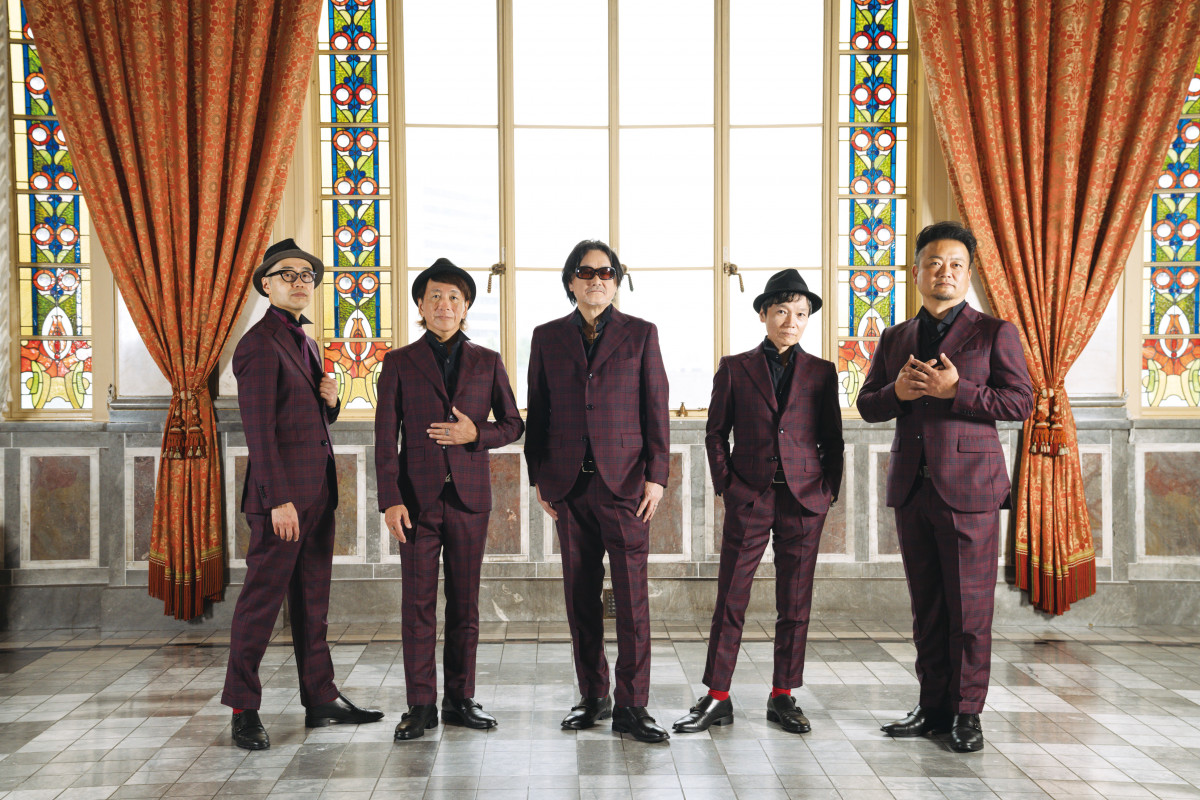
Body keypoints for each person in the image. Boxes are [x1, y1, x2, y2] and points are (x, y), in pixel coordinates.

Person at [857, 221, 1033, 752]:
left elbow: (1020, 402)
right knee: (928, 607)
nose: (945, 272)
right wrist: (897, 392)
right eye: (934, 263)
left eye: (956, 264)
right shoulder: (895, 338)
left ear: (969, 274)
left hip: (971, 490)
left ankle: (967, 713)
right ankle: (932, 706)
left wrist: (960, 390)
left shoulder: (995, 332)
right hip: (913, 488)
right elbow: (868, 405)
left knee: (971, 611)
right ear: (915, 272)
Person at [222, 238, 383, 751]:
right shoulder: (257, 345)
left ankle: (321, 699)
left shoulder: (307, 344)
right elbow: (259, 431)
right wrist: (277, 499)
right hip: (282, 501)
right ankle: (243, 709)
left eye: (307, 276)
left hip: (317, 495)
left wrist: (330, 404)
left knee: (313, 604)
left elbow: (304, 421)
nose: (299, 282)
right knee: (260, 606)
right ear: (266, 285)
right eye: (287, 275)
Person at [673, 269, 843, 735]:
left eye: (801, 314)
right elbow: (715, 433)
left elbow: (832, 439)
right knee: (731, 598)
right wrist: (728, 486)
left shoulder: (822, 372)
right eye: (782, 311)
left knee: (795, 603)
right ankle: (717, 697)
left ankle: (782, 695)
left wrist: (827, 491)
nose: (792, 321)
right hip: (750, 496)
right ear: (764, 314)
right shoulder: (735, 367)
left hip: (804, 501)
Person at [525, 239, 671, 743]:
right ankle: (593, 696)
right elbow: (538, 409)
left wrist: (657, 476)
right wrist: (538, 476)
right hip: (568, 488)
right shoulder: (547, 337)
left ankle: (633, 705)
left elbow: (655, 408)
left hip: (626, 487)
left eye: (606, 272)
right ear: (571, 281)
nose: (596, 280)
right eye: (586, 272)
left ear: (616, 280)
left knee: (632, 602)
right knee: (580, 599)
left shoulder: (641, 334)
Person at [374, 258, 524, 740]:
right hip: (415, 504)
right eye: (435, 296)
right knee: (417, 606)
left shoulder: (488, 360)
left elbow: (514, 424)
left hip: (469, 499)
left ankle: (460, 699)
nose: (445, 305)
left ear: (466, 307)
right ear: (420, 305)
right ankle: (420, 706)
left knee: (464, 605)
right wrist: (390, 500)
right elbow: (385, 438)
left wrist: (475, 433)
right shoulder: (398, 362)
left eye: (454, 298)